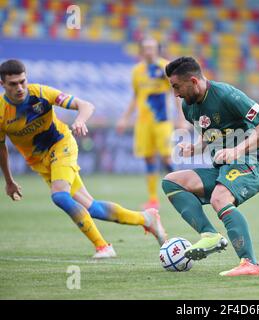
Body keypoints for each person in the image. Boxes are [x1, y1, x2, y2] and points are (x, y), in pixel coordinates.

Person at [0, 59, 167, 259]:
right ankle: (147, 219)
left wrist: (79, 120)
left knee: (60, 196)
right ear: (3, 84)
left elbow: (86, 105)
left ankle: (103, 247)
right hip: (39, 162)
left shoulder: (41, 93)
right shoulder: (2, 112)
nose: (20, 88)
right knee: (92, 207)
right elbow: (2, 147)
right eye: (13, 84)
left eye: (22, 81)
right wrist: (9, 181)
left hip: (61, 145)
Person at [161, 56, 259, 276]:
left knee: (219, 198)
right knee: (171, 182)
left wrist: (236, 151)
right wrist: (195, 147)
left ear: (194, 81)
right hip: (223, 166)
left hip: (252, 162)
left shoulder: (226, 95)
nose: (175, 93)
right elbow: (214, 133)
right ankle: (210, 236)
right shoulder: (189, 107)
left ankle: (250, 263)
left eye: (177, 87)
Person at [116, 37, 184, 210]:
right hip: (143, 122)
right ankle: (153, 199)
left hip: (162, 121)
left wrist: (181, 118)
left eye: (152, 48)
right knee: (148, 158)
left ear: (157, 50)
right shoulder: (137, 71)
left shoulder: (166, 68)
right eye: (145, 48)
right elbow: (136, 96)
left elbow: (175, 93)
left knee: (166, 157)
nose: (149, 51)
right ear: (141, 51)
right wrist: (125, 118)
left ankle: (180, 192)